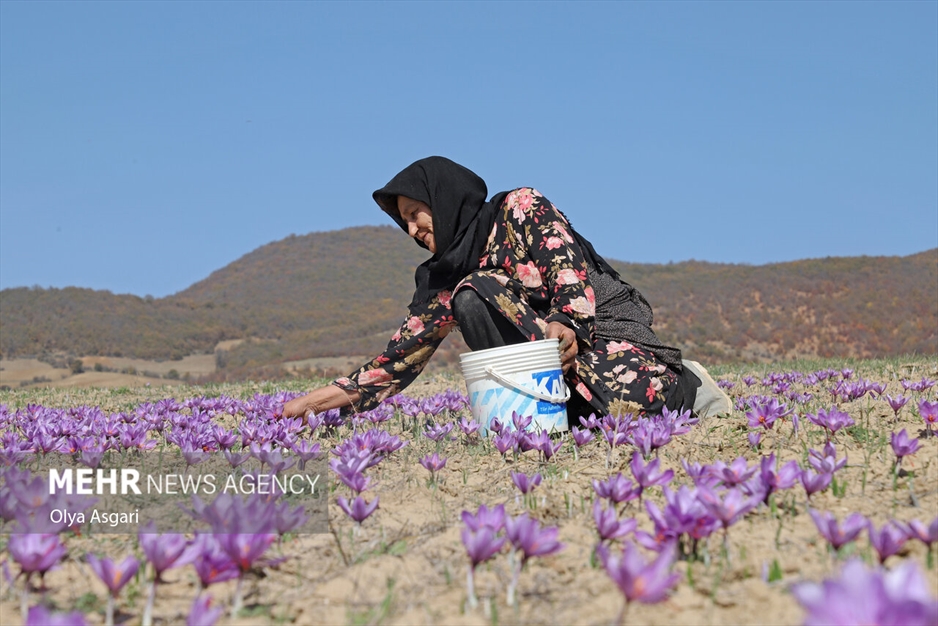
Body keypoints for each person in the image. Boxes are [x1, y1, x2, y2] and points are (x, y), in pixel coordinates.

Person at [282, 157, 729, 422]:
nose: (413, 229)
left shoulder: (519, 208)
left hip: (600, 336)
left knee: (637, 410)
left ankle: (689, 383)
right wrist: (312, 404)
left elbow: (567, 269)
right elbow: (395, 362)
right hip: (551, 366)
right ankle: (540, 421)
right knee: (470, 293)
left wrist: (566, 323)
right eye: (405, 222)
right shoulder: (446, 281)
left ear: (444, 199)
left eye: (417, 212)